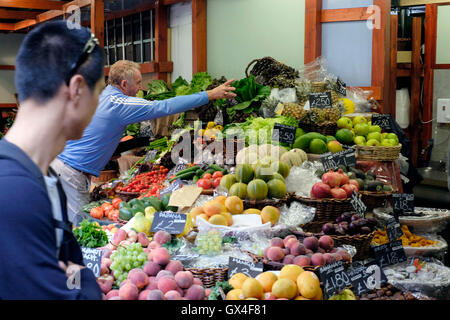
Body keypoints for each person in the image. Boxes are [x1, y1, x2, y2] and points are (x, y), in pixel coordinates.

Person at [53, 60, 236, 224]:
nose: (141, 88)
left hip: (63, 167)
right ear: (124, 84)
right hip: (71, 173)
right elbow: (163, 106)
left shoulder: (102, 96)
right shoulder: (120, 103)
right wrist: (209, 95)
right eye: (138, 83)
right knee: (78, 230)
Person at [0, 21, 105, 299]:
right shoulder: (13, 191)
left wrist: (73, 274)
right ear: (77, 89)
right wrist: (84, 278)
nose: (98, 105)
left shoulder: (46, 178)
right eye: (100, 92)